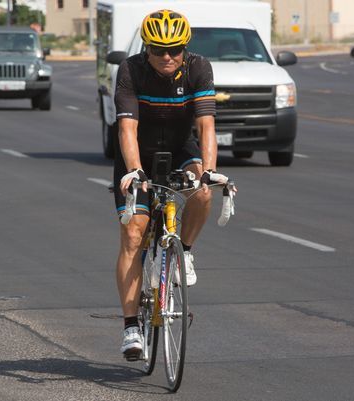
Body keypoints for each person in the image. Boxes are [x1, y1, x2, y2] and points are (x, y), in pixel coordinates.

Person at [112, 9, 228, 360]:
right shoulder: (131, 70)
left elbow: (206, 126)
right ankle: (131, 326)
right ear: (146, 48)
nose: (167, 56)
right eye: (159, 49)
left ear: (184, 49)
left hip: (180, 148)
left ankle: (186, 253)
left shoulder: (198, 68)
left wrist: (208, 170)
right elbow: (127, 130)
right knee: (134, 232)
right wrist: (135, 172)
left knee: (202, 190)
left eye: (175, 49)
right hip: (138, 154)